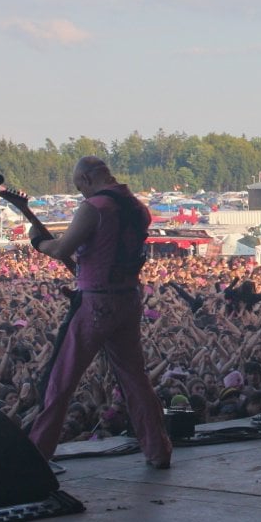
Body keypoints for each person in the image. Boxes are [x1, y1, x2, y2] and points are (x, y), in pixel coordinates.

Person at [27, 156, 173, 467]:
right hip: (128, 298)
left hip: (96, 303)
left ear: (85, 179)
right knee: (135, 379)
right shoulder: (138, 207)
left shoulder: (95, 207)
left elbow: (62, 249)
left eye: (78, 187)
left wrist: (38, 242)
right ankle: (158, 450)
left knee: (61, 380)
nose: (80, 193)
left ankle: (37, 455)